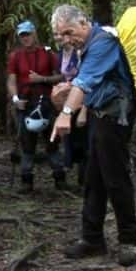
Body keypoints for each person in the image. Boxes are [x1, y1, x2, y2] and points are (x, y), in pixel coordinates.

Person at [49, 4, 136, 266]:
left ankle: (129, 240)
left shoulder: (103, 43)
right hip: (100, 116)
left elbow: (85, 81)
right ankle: (92, 239)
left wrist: (66, 112)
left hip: (116, 117)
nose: (67, 39)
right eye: (61, 35)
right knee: (93, 178)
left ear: (84, 23)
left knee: (115, 178)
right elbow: (89, 82)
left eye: (69, 32)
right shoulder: (86, 47)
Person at [7, 20, 66, 193]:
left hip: (47, 102)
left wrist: (42, 79)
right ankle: (27, 181)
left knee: (52, 140)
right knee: (26, 143)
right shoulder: (15, 56)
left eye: (28, 34)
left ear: (35, 34)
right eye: (22, 35)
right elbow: (11, 80)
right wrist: (16, 99)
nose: (26, 38)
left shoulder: (48, 54)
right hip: (25, 102)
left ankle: (59, 178)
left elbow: (61, 76)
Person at [54, 30, 88, 186]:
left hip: (81, 101)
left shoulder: (80, 53)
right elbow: (62, 75)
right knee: (70, 138)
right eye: (56, 36)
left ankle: (85, 180)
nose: (59, 39)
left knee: (83, 140)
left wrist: (84, 110)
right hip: (67, 100)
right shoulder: (60, 54)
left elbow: (86, 79)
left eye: (61, 36)